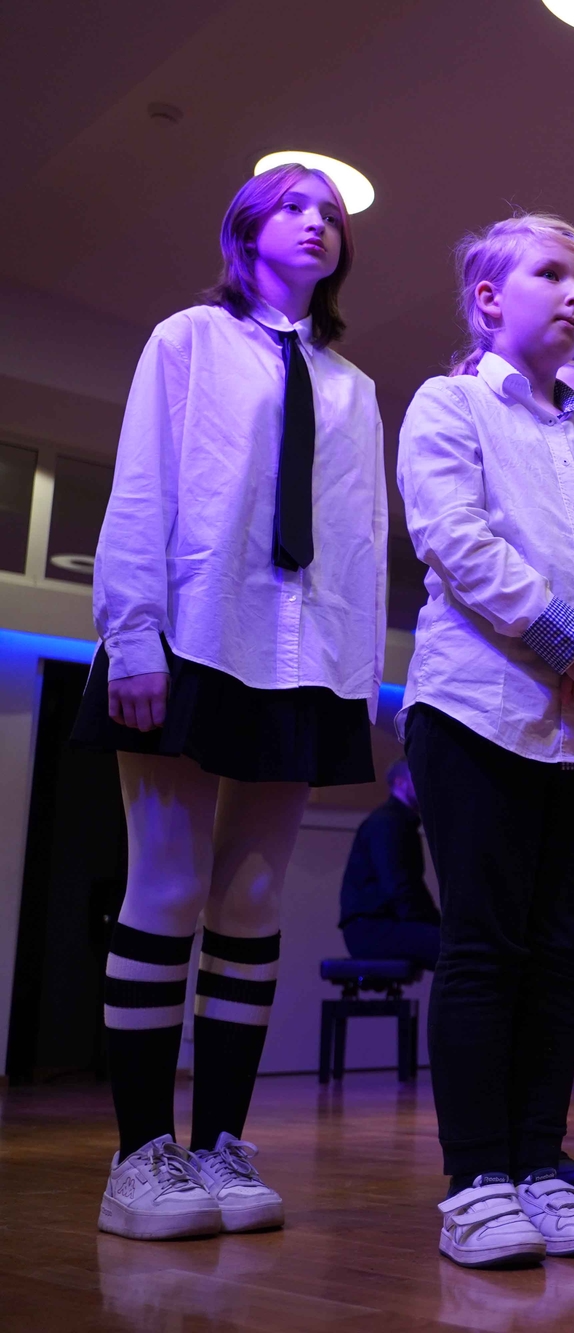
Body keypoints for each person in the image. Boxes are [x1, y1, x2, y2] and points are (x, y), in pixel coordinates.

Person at [78, 164, 386, 1242]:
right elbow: (143, 485)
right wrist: (132, 636)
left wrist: (356, 678)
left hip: (303, 654)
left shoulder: (352, 386)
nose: (317, 223)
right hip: (194, 633)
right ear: (246, 232)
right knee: (165, 885)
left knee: (252, 901)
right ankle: (138, 1157)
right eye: (295, 207)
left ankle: (218, 1144)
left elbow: (360, 538)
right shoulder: (188, 341)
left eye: (330, 214)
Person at [399, 212, 574, 1267]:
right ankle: (477, 1181)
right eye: (553, 274)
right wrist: (571, 643)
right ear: (487, 298)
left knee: (560, 952)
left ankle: (538, 1166)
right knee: (485, 945)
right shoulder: (449, 404)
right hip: (478, 708)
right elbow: (454, 538)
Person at [338, 760, 439, 966]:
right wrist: (437, 925)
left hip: (379, 925)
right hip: (372, 929)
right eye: (419, 778)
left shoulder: (397, 821)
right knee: (461, 950)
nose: (427, 785)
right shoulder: (388, 822)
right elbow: (399, 886)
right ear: (400, 783)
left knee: (458, 946)